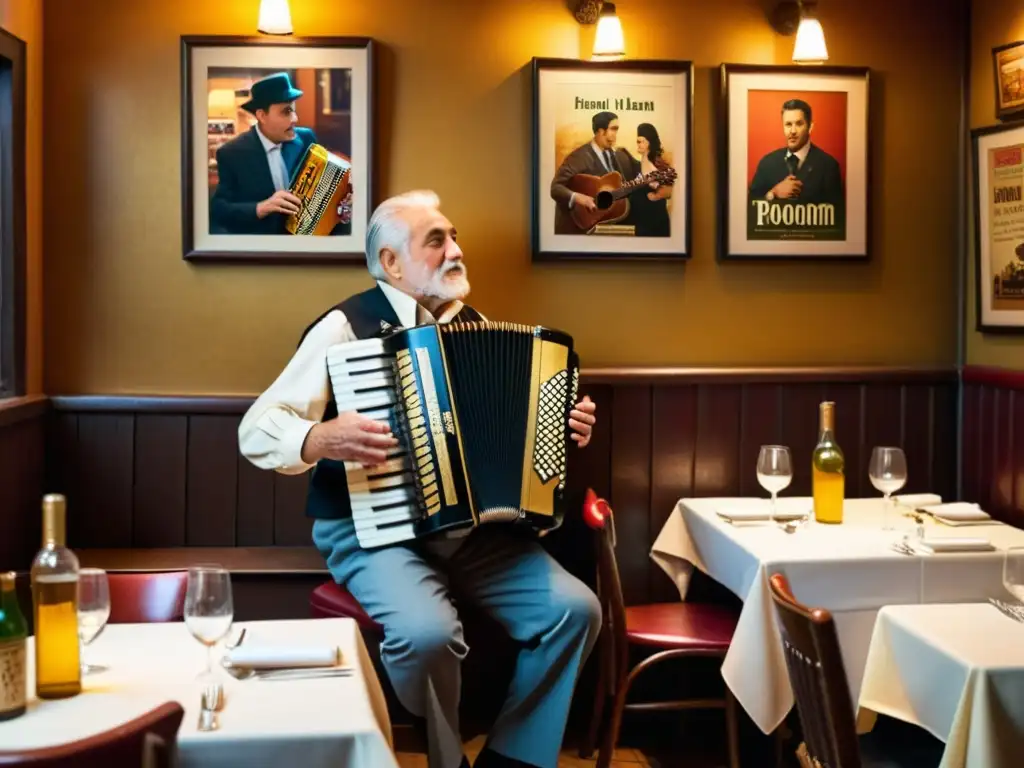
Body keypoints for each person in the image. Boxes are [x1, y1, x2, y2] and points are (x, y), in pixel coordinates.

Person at [238, 190, 602, 768]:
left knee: (576, 611)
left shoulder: (481, 328)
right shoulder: (345, 327)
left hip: (474, 536)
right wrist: (319, 437)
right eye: (437, 241)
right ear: (390, 263)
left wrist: (565, 424)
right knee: (427, 635)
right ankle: (446, 758)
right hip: (373, 533)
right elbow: (257, 429)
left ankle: (515, 757)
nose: (456, 250)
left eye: (454, 237)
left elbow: (522, 437)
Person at [209, 71, 351, 235]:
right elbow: (219, 210)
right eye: (286, 112)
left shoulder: (306, 138)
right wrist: (261, 207)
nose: (295, 119)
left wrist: (343, 201)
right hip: (263, 247)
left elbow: (323, 190)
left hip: (309, 240)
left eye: (293, 110)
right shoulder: (231, 153)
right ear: (262, 116)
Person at [549, 111, 637, 234]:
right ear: (600, 131)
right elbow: (555, 188)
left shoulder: (614, 155)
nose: (615, 135)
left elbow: (620, 187)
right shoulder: (579, 157)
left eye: (616, 130)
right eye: (613, 129)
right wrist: (579, 198)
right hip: (578, 230)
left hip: (605, 227)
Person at [747, 98, 844, 209]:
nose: (792, 131)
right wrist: (773, 193)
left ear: (810, 127)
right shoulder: (767, 163)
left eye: (799, 124)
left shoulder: (828, 166)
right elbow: (749, 208)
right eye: (788, 124)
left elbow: (837, 217)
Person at [627, 123, 673, 237]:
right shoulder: (638, 165)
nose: (638, 145)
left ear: (649, 142)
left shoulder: (658, 164)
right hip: (641, 223)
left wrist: (656, 195)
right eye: (637, 141)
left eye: (641, 141)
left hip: (656, 222)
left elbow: (668, 191)